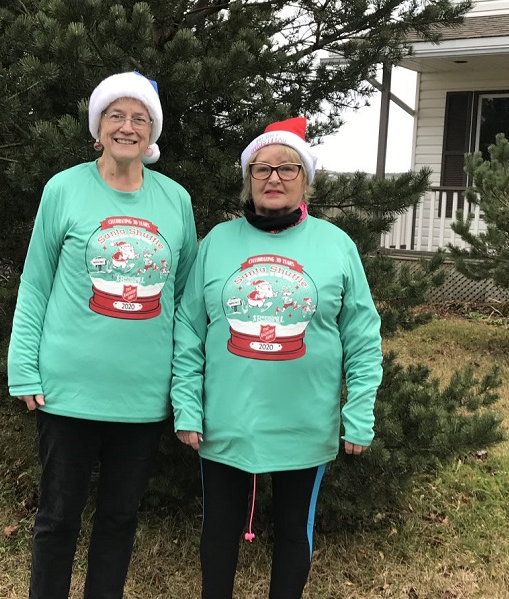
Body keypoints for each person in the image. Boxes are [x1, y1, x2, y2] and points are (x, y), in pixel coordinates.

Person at [171, 117, 383, 599]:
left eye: (287, 168)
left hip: (304, 425)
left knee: (293, 533)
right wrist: (187, 404)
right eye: (262, 168)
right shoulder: (217, 243)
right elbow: (188, 327)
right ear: (248, 180)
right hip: (224, 422)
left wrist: (359, 413)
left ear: (306, 179)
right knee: (218, 535)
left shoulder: (337, 246)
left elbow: (363, 336)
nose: (273, 178)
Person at [8, 71, 198, 599]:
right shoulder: (64, 188)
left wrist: (183, 392)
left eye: (140, 118)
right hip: (67, 391)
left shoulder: (176, 201)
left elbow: (185, 304)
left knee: (119, 521)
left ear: (152, 132)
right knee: (57, 519)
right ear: (98, 127)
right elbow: (35, 282)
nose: (127, 126)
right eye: (116, 115)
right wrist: (23, 367)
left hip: (141, 396)